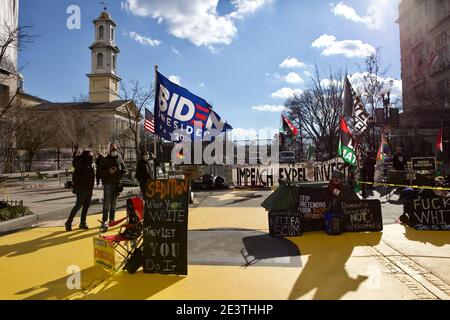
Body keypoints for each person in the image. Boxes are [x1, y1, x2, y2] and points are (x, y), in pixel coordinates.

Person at [65, 150, 95, 231]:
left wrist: (91, 188)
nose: (91, 158)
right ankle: (68, 222)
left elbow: (92, 177)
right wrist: (75, 187)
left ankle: (83, 222)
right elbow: (76, 177)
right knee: (78, 205)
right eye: (90, 157)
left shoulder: (91, 164)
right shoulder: (80, 164)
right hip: (81, 188)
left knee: (86, 206)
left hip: (89, 188)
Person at [100, 143, 126, 231]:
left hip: (117, 184)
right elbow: (100, 172)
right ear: (108, 150)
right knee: (106, 203)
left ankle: (112, 220)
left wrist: (119, 172)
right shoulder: (105, 159)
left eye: (115, 149)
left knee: (114, 204)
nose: (114, 150)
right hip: (108, 184)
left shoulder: (119, 158)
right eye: (112, 149)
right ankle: (104, 221)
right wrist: (109, 172)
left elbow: (124, 169)